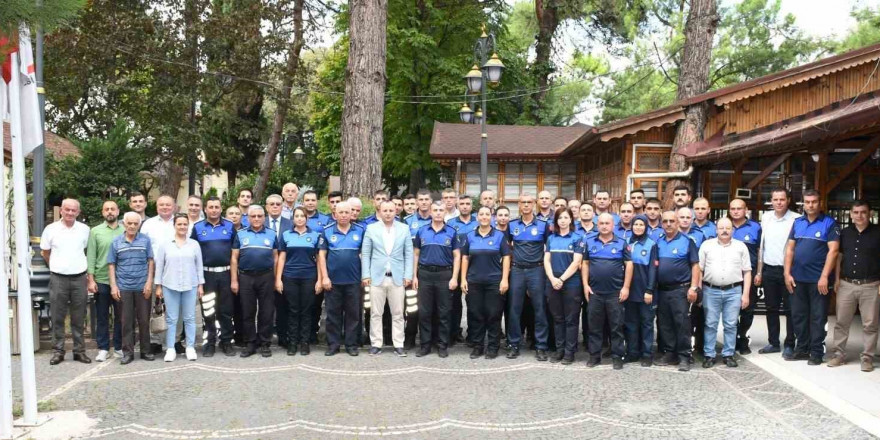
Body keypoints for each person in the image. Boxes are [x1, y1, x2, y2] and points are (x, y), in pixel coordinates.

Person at [784, 189, 840, 365]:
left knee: (818, 317)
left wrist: (824, 277)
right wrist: (786, 273)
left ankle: (816, 352)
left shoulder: (829, 223)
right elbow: (790, 249)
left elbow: (834, 251)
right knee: (799, 316)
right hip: (797, 279)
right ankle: (802, 349)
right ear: (803, 203)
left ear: (820, 203)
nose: (810, 205)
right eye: (807, 202)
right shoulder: (797, 223)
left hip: (818, 281)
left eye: (814, 202)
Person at [829, 200, 880, 371]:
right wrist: (836, 280)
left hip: (871, 285)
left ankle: (867, 358)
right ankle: (838, 354)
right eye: (856, 212)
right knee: (842, 322)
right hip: (846, 284)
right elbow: (839, 257)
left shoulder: (878, 232)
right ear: (851, 214)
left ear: (870, 213)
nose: (859, 216)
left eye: (863, 212)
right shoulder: (844, 233)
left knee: (870, 324)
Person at [41, 198, 92, 365]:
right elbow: (45, 252)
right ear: (61, 210)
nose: (70, 213)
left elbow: (87, 252)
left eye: (73, 210)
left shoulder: (84, 230)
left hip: (79, 278)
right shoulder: (51, 229)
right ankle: (58, 351)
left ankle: (79, 351)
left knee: (79, 317)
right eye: (67, 209)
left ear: (78, 212)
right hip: (58, 278)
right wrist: (56, 266)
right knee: (57, 316)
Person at [361, 201, 413, 356]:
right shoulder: (371, 228)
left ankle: (399, 344)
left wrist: (408, 275)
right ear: (380, 211)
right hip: (377, 277)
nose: (388, 213)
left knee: (398, 313)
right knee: (376, 313)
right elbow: (366, 254)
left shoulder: (404, 229)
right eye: (385, 210)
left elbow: (409, 253)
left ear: (396, 211)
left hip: (397, 277)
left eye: (391, 210)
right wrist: (366, 274)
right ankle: (376, 344)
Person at [699, 218, 752, 368]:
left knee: (731, 324)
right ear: (716, 230)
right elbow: (699, 269)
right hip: (710, 290)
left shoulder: (740, 247)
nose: (724, 230)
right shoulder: (706, 246)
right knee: (710, 324)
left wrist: (745, 294)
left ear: (732, 230)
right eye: (721, 228)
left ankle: (728, 354)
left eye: (727, 228)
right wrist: (699, 291)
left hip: (734, 291)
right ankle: (709, 354)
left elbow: (747, 271)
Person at [583, 213, 632, 369]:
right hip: (595, 292)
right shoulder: (590, 242)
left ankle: (618, 356)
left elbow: (629, 265)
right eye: (601, 223)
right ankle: (594, 356)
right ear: (597, 225)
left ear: (613, 225)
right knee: (594, 326)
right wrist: (585, 285)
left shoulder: (622, 243)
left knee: (616, 327)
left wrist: (626, 287)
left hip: (615, 293)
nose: (604, 226)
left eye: (607, 223)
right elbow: (585, 264)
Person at [461, 206, 510, 359]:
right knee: (476, 314)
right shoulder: (469, 236)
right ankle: (478, 346)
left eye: (487, 214)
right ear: (477, 217)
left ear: (492, 217)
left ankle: (493, 347)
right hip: (474, 281)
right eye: (481, 214)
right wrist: (463, 279)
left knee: (493, 315)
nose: (484, 217)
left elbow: (507, 257)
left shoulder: (499, 236)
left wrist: (504, 279)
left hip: (494, 282)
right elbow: (465, 258)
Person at [755, 187, 800, 357]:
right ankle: (773, 342)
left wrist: (789, 272)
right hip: (769, 270)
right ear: (771, 201)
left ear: (788, 200)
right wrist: (759, 272)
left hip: (788, 272)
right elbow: (762, 247)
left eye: (782, 199)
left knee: (790, 309)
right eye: (775, 199)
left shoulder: (797, 219)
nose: (779, 203)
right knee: (771, 308)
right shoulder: (766, 218)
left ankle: (790, 343)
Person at [190, 196, 237, 357]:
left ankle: (226, 342)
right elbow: (193, 253)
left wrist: (234, 278)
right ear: (205, 209)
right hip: (207, 275)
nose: (214, 210)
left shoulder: (230, 226)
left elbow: (235, 254)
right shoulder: (197, 227)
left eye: (217, 207)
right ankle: (209, 343)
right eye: (211, 207)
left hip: (225, 274)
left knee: (226, 311)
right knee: (208, 310)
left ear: (221, 208)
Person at [154, 214, 205, 362]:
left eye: (184, 224)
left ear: (188, 225)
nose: (182, 227)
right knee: (172, 318)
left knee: (189, 318)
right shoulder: (165, 245)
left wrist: (200, 285)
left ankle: (190, 347)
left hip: (190, 285)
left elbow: (199, 266)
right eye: (179, 224)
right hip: (170, 285)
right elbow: (160, 266)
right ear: (174, 225)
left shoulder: (194, 244)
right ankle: (170, 348)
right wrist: (158, 286)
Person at [413, 201, 460, 358]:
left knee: (444, 312)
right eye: (435, 210)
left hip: (444, 275)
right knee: (425, 312)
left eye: (441, 210)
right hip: (425, 275)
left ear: (445, 212)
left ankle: (442, 345)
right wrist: (414, 276)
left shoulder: (452, 232)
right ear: (431, 212)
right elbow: (416, 254)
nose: (438, 212)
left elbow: (457, 256)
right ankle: (425, 345)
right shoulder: (422, 231)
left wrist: (454, 277)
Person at [507, 193, 551, 361]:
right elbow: (507, 248)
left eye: (529, 202)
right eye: (523, 202)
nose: (526, 205)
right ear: (519, 205)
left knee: (539, 309)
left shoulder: (542, 225)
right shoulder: (512, 225)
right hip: (518, 270)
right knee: (514, 309)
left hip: (536, 270)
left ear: (534, 204)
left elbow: (548, 247)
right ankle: (514, 344)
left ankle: (541, 346)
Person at [655, 211, 700, 372]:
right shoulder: (658, 242)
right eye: (665, 221)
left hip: (681, 289)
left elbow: (695, 265)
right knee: (665, 324)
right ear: (661, 223)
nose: (668, 224)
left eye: (671, 221)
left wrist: (693, 287)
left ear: (677, 223)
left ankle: (684, 356)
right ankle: (670, 353)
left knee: (682, 324)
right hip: (663, 291)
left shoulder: (687, 241)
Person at [232, 205, 279, 358]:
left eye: (260, 216)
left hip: (266, 276)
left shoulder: (272, 234)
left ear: (264, 217)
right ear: (248, 218)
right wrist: (234, 280)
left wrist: (276, 278)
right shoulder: (240, 234)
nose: (257, 219)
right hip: (246, 277)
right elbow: (234, 259)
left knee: (266, 311)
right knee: (248, 311)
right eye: (254, 216)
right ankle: (250, 342)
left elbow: (276, 258)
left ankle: (265, 342)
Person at [318, 201, 365, 356]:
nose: (344, 215)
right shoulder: (326, 231)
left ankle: (351, 345)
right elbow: (322, 256)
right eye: (341, 212)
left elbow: (365, 255)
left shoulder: (360, 230)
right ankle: (333, 345)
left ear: (351, 214)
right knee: (333, 315)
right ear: (335, 214)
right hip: (333, 281)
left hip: (353, 281)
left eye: (347, 212)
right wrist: (325, 277)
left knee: (353, 315)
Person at [107, 212, 154, 364]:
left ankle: (146, 351)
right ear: (124, 224)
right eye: (130, 223)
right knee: (126, 321)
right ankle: (128, 352)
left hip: (142, 287)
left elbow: (150, 262)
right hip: (124, 287)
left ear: (139, 225)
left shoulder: (145, 240)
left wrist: (149, 283)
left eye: (135, 223)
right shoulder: (116, 242)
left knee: (144, 321)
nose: (132, 226)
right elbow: (112, 265)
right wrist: (114, 286)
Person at [275, 206, 322, 356]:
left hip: (309, 277)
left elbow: (320, 259)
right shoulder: (286, 235)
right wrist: (278, 279)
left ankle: (304, 343)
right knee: (293, 311)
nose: (300, 218)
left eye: (302, 216)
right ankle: (293, 343)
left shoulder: (315, 236)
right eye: (297, 216)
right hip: (290, 277)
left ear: (306, 219)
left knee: (306, 311)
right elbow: (281, 258)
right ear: (293, 219)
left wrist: (320, 280)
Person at [544, 208, 585, 365]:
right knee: (558, 318)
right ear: (556, 221)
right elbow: (546, 260)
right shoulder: (551, 239)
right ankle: (559, 350)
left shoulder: (577, 238)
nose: (562, 220)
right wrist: (552, 279)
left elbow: (576, 263)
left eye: (565, 217)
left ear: (571, 220)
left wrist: (561, 279)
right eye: (559, 218)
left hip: (571, 284)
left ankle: (570, 352)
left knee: (571, 319)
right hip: (553, 283)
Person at [86, 200, 124, 361]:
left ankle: (118, 346)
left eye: (112, 209)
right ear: (103, 212)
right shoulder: (95, 231)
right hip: (101, 279)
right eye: (106, 209)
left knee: (121, 316)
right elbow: (91, 256)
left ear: (118, 211)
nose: (110, 211)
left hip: (121, 280)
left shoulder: (125, 229)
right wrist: (90, 279)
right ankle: (102, 348)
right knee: (102, 316)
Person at [141, 194, 177, 354]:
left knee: (175, 307)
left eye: (168, 205)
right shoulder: (148, 224)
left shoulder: (180, 222)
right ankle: (154, 340)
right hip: (153, 270)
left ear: (174, 206)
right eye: (161, 205)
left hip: (175, 270)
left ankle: (174, 340)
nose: (165, 207)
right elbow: (143, 247)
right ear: (156, 207)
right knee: (153, 307)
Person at [624, 215, 658, 367]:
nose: (638, 227)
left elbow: (653, 269)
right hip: (629, 291)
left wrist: (649, 289)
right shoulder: (626, 243)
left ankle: (646, 354)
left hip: (645, 291)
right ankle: (632, 352)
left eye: (641, 225)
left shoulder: (651, 244)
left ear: (646, 227)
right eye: (635, 224)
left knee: (647, 323)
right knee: (631, 323)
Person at [729, 198, 761, 355]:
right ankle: (732, 339)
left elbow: (761, 250)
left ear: (745, 210)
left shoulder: (755, 227)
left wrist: (760, 272)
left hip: (750, 274)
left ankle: (743, 339)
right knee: (731, 310)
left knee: (747, 309)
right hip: (729, 276)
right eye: (733, 208)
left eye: (739, 208)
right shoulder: (724, 227)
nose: (736, 211)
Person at [447, 194, 477, 344]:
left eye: (467, 204)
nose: (465, 206)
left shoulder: (478, 221)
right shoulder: (451, 223)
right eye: (462, 204)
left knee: (473, 302)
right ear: (458, 206)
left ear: (472, 206)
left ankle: (472, 334)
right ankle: (454, 332)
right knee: (454, 302)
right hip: (456, 267)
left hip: (475, 267)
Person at [266, 194, 294, 348]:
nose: (275, 206)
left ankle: (284, 337)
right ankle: (265, 337)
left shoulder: (290, 224)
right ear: (267, 206)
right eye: (272, 204)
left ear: (282, 206)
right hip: (263, 271)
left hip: (285, 272)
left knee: (283, 306)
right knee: (265, 306)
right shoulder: (258, 221)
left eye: (278, 204)